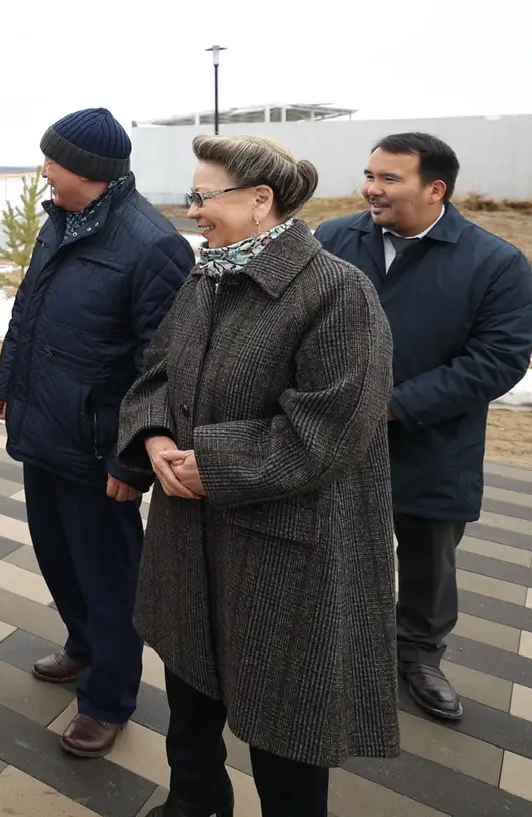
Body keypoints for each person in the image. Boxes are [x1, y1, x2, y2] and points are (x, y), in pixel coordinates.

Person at [118, 134, 398, 817]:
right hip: (191, 537)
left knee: (286, 733)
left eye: (202, 196)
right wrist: (153, 438)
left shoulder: (338, 294)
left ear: (259, 199)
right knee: (189, 702)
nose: (191, 211)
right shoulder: (206, 277)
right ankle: (196, 803)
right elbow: (156, 373)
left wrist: (211, 463)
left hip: (286, 555)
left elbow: (331, 430)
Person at [0, 108, 192, 759]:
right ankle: (82, 645)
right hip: (43, 424)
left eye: (53, 160)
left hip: (98, 446)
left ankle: (109, 698)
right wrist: (6, 380)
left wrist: (130, 462)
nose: (43, 169)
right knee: (56, 555)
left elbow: (158, 368)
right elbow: (29, 310)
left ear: (90, 172)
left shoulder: (154, 246)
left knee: (109, 578)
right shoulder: (61, 220)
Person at [316, 133, 532, 723]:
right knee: (332, 548)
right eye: (369, 174)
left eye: (389, 178)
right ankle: (335, 649)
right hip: (333, 438)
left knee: (427, 559)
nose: (371, 188)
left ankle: (418, 656)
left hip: (433, 442)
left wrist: (392, 405)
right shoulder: (333, 240)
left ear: (435, 188)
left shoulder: (494, 263)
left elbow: (497, 360)